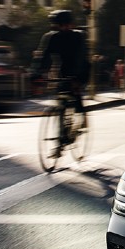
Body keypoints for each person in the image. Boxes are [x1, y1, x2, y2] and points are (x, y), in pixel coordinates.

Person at [31, 10, 89, 148]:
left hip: (80, 68)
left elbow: (81, 58)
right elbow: (43, 57)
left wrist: (77, 79)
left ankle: (80, 116)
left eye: (66, 25)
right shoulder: (51, 37)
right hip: (63, 69)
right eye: (59, 25)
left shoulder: (78, 37)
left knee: (75, 92)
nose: (63, 28)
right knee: (61, 95)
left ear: (71, 24)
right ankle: (62, 132)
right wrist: (37, 74)